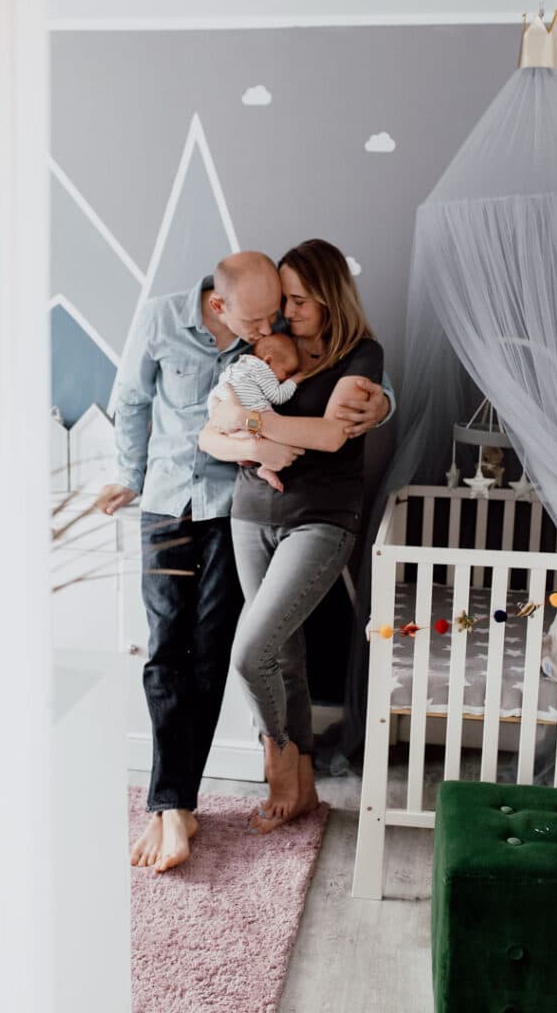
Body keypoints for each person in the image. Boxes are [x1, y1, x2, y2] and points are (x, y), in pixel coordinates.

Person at [94, 249, 391, 871]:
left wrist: (380, 400)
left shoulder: (284, 333)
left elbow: (336, 390)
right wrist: (130, 474)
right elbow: (145, 405)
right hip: (172, 505)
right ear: (220, 305)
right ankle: (170, 803)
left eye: (281, 312)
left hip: (236, 508)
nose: (270, 328)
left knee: (221, 653)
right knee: (166, 650)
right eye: (260, 320)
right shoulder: (165, 320)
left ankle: (219, 785)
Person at [199, 239, 388, 834]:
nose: (289, 311)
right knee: (285, 655)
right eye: (286, 299)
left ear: (331, 298)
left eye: (302, 300)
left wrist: (254, 423)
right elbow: (210, 431)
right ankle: (303, 784)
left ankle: (277, 752)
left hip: (323, 518)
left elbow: (333, 435)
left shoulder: (361, 354)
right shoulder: (261, 347)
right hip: (251, 511)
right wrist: (244, 437)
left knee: (250, 650)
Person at [207, 333, 301, 492]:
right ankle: (265, 467)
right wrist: (296, 379)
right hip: (248, 423)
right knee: (281, 429)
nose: (286, 378)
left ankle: (248, 452)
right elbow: (277, 396)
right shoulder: (261, 368)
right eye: (286, 372)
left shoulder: (238, 364)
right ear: (268, 361)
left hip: (224, 421)